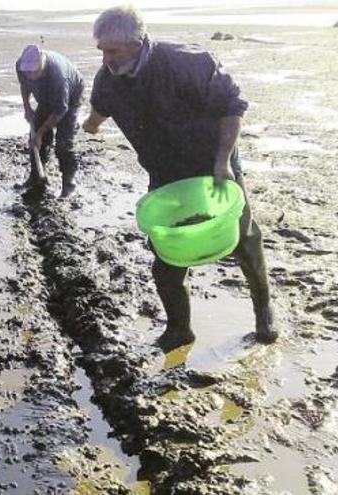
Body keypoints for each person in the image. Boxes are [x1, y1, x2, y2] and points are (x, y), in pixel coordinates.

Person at [82, 5, 278, 350]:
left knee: (245, 239)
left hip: (213, 165)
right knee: (166, 256)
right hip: (165, 172)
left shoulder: (187, 62)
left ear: (137, 42)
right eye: (101, 50)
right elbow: (102, 106)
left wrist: (223, 161)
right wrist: (92, 123)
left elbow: (233, 107)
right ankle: (179, 329)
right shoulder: (108, 78)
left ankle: (265, 314)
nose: (105, 59)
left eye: (112, 50)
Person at [16, 44, 84, 196]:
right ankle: (37, 177)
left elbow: (60, 110)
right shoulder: (21, 66)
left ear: (43, 64)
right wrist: (27, 107)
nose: (31, 76)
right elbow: (24, 84)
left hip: (71, 96)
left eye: (35, 72)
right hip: (46, 95)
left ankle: (68, 183)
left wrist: (40, 133)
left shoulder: (58, 77)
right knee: (34, 140)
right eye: (28, 72)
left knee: (63, 142)